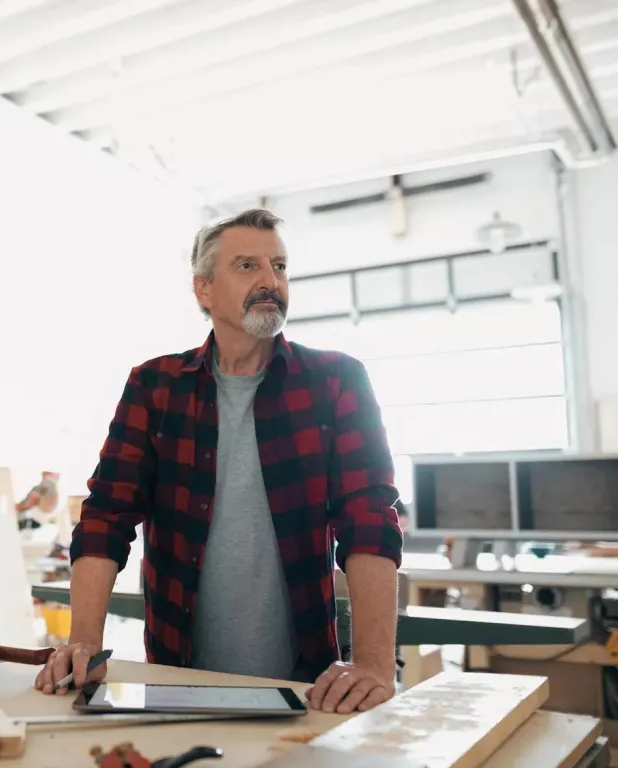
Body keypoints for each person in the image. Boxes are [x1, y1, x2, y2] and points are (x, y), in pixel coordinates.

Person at [34, 208, 405, 714]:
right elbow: (105, 516)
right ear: (204, 290)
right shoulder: (154, 387)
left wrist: (374, 664)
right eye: (248, 266)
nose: (271, 280)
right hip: (177, 680)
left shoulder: (336, 381)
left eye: (279, 266)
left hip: (306, 690)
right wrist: (81, 643)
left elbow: (369, 521)